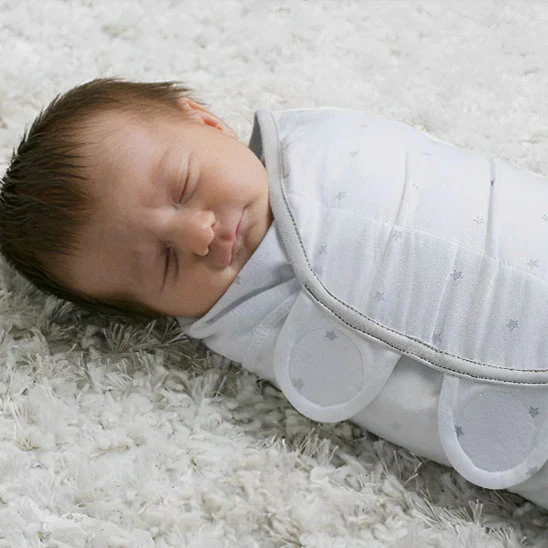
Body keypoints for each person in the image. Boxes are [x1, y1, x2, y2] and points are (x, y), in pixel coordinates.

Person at [2, 77, 548, 510]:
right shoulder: (252, 322)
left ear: (207, 122)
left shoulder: (331, 147)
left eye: (184, 187)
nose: (199, 234)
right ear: (155, 313)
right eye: (166, 262)